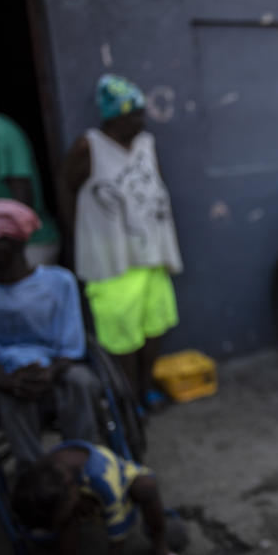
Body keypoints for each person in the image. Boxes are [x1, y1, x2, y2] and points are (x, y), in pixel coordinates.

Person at [60, 74, 183, 408]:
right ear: (113, 116)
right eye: (133, 115)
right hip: (112, 263)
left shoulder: (146, 143)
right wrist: (78, 237)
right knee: (121, 338)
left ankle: (145, 389)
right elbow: (66, 189)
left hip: (151, 255)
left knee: (153, 326)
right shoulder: (89, 146)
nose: (139, 121)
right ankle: (129, 399)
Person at [0, 200, 101, 467]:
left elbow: (71, 347)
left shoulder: (59, 283)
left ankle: (83, 462)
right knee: (12, 394)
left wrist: (50, 373)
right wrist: (7, 381)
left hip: (55, 369)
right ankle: (35, 473)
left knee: (82, 382)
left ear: (13, 246)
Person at [11, 439, 197, 555]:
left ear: (72, 490)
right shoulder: (48, 472)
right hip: (82, 494)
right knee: (66, 522)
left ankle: (162, 551)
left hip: (121, 485)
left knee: (146, 485)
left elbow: (117, 530)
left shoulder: (103, 479)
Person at [0, 60, 61, 266]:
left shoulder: (1, 132)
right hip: (9, 243)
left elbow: (22, 191)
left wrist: (14, 246)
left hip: (31, 243)